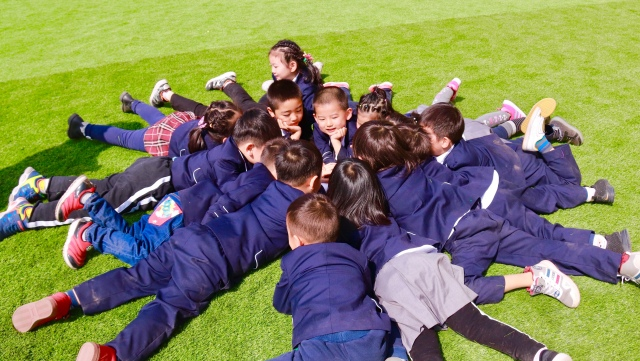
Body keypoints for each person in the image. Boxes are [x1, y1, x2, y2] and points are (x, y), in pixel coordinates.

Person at [11, 140, 323, 361]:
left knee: (135, 276)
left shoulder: (264, 180)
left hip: (193, 235)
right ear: (314, 180)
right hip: (213, 261)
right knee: (169, 305)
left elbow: (250, 184)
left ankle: (65, 299)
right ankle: (113, 354)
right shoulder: (304, 210)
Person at [351, 121, 640, 306]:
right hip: (483, 216)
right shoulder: (414, 164)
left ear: (366, 159)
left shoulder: (379, 191)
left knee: (459, 291)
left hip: (465, 239)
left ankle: (536, 278)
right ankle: (623, 263)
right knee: (548, 245)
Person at [327, 158, 572, 361]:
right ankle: (542, 355)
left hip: (390, 281)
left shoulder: (342, 229)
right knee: (474, 323)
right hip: (422, 261)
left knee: (422, 343)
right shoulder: (383, 211)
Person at [0, 109, 281, 241]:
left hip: (154, 168)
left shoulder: (232, 147)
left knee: (100, 186)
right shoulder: (227, 162)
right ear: (251, 147)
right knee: (99, 205)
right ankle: (24, 216)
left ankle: (37, 183)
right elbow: (233, 193)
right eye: (268, 150)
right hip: (155, 182)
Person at [60, 138, 287, 269]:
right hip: (187, 211)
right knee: (144, 254)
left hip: (182, 200)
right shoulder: (264, 179)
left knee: (137, 232)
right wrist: (205, 228)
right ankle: (90, 233)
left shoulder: (258, 171)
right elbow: (231, 200)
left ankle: (89, 198)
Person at [419, 103, 614, 214]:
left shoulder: (450, 156)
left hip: (502, 153)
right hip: (496, 146)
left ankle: (545, 136)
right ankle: (546, 134)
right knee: (506, 138)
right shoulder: (448, 145)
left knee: (570, 182)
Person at [268, 193, 391, 361]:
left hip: (317, 342)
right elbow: (367, 289)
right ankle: (397, 354)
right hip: (369, 340)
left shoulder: (292, 262)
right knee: (389, 324)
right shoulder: (356, 256)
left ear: (298, 241)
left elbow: (281, 303)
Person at [202, 39, 323, 140]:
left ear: (292, 66)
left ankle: (227, 83)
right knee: (251, 110)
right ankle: (228, 83)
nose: (273, 71)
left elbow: (309, 118)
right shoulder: (281, 74)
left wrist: (287, 124)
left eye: (275, 66)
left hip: (282, 108)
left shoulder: (306, 91)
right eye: (272, 66)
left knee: (248, 107)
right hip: (277, 102)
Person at [67, 96, 241, 157]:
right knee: (126, 137)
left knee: (158, 118)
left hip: (178, 123)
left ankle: (131, 102)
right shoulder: (214, 147)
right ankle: (81, 127)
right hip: (162, 139)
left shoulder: (207, 122)